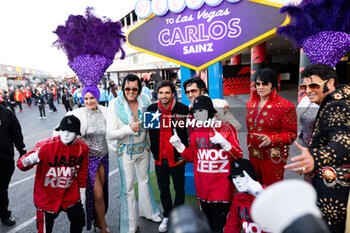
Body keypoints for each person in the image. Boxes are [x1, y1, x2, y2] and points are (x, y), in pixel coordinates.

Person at [53, 8, 126, 232]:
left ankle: (98, 222)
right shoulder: (76, 114)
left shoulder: (105, 111)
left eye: (91, 97)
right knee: (95, 194)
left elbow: (116, 128)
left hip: (103, 157)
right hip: (87, 161)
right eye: (85, 97)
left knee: (101, 194)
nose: (89, 100)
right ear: (81, 98)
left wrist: (130, 129)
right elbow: (61, 133)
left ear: (97, 97)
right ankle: (102, 227)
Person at [285, 64, 350, 233]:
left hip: (334, 188)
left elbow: (344, 142)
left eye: (313, 85)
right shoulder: (339, 99)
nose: (307, 90)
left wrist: (315, 157)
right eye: (304, 86)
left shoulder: (337, 105)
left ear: (330, 83)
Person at [170, 95, 243, 233]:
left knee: (222, 226)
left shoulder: (227, 128)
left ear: (210, 112)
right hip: (202, 188)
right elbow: (192, 158)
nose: (197, 115)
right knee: (206, 225)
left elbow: (238, 156)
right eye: (195, 112)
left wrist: (225, 143)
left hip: (222, 188)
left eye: (200, 111)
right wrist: (179, 146)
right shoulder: (196, 132)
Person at [107, 74, 160, 233]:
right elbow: (109, 133)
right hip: (125, 152)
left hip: (143, 148)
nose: (130, 91)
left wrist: (153, 145)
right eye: (127, 88)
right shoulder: (114, 104)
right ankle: (130, 224)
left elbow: (152, 124)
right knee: (128, 187)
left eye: (134, 88)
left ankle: (150, 212)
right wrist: (129, 129)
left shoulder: (145, 100)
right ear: (122, 88)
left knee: (144, 181)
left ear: (139, 89)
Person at [17, 115, 88, 233]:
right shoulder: (45, 146)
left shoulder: (82, 147)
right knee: (44, 229)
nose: (66, 134)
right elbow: (20, 165)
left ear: (77, 133)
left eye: (70, 131)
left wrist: (82, 190)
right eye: (63, 130)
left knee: (78, 221)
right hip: (46, 197)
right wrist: (30, 160)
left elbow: (83, 169)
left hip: (70, 194)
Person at [147, 80, 189, 232]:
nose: (163, 96)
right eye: (161, 93)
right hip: (159, 159)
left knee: (179, 189)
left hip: (177, 159)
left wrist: (186, 151)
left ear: (173, 94)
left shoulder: (182, 109)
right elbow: (149, 132)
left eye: (167, 93)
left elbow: (189, 133)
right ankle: (167, 215)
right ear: (157, 93)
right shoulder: (152, 109)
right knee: (163, 189)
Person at [246, 68, 297, 186]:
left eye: (265, 83)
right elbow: (250, 129)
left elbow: (291, 134)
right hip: (253, 157)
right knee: (254, 189)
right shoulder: (251, 103)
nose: (260, 87)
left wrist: (272, 139)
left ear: (273, 85)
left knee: (271, 192)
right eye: (257, 84)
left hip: (273, 159)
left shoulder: (286, 106)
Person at [223, 159, 267, 233]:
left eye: (242, 176)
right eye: (234, 177)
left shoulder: (270, 193)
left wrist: (261, 195)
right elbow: (231, 228)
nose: (237, 181)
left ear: (251, 176)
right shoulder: (237, 199)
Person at [0, 103, 26, 226]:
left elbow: (16, 134)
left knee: (2, 190)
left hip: (4, 161)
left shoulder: (7, 113)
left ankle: (4, 214)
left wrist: (22, 151)